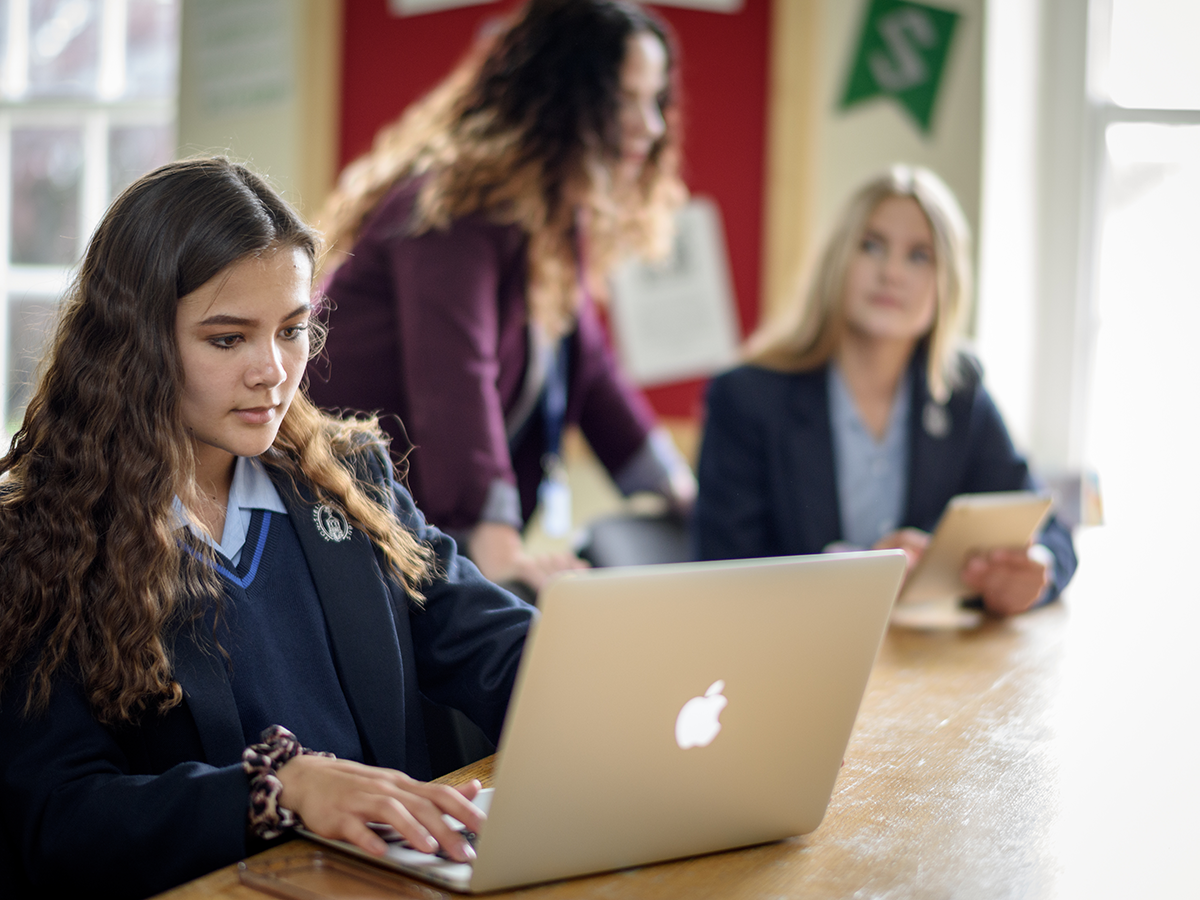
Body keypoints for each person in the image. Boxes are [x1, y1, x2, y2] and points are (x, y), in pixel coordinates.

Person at [0, 158, 536, 900]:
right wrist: (278, 789)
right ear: (134, 343)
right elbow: (60, 821)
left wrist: (615, 690)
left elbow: (492, 644)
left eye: (292, 331)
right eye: (228, 339)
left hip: (393, 878)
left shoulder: (347, 478)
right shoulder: (39, 538)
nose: (274, 373)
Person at [307, 0, 696, 597]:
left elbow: (591, 372)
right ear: (560, 98)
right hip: (330, 519)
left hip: (400, 529)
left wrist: (683, 494)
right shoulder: (454, 208)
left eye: (656, 99)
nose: (652, 125)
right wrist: (500, 550)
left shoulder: (554, 220)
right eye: (625, 99)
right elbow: (453, 380)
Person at [694, 165, 1077, 616]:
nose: (891, 273)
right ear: (838, 260)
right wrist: (856, 576)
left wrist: (1037, 571)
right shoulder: (747, 398)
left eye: (919, 256)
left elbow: (1050, 531)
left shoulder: (959, 392)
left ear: (946, 283)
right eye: (871, 247)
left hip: (924, 668)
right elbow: (721, 577)